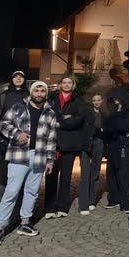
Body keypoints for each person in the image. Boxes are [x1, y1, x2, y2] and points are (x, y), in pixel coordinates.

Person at [0, 82, 57, 247]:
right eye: (36, 90)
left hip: (39, 157)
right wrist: (17, 133)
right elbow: (3, 124)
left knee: (32, 192)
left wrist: (50, 160)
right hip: (19, 156)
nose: (39, 93)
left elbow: (52, 138)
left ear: (46, 94)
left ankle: (25, 223)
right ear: (32, 92)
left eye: (42, 90)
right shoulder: (18, 107)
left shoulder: (50, 113)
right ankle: (0, 227)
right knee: (11, 191)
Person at [0, 70, 29, 226]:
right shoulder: (3, 97)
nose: (18, 78)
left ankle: (16, 215)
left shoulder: (29, 96)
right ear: (11, 79)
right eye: (15, 76)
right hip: (3, 145)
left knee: (19, 181)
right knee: (0, 181)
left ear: (24, 80)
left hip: (21, 146)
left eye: (21, 76)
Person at [44, 76, 87, 218]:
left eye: (69, 82)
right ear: (60, 84)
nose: (67, 85)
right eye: (64, 82)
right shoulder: (52, 99)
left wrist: (60, 122)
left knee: (66, 177)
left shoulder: (78, 100)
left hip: (69, 144)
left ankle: (62, 207)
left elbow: (79, 119)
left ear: (73, 85)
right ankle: (50, 208)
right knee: (50, 176)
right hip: (52, 143)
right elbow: (48, 116)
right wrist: (65, 117)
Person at [103, 90, 129, 213]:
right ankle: (114, 199)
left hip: (124, 145)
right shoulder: (112, 110)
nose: (115, 101)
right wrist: (113, 125)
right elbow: (106, 126)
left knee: (123, 175)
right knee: (111, 173)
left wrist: (114, 124)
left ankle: (125, 202)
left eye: (117, 98)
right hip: (112, 145)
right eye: (114, 99)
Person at [79, 93, 109, 215]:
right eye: (94, 100)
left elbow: (106, 129)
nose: (97, 102)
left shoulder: (104, 114)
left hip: (99, 142)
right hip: (86, 143)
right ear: (92, 102)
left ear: (102, 101)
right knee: (85, 174)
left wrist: (103, 130)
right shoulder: (87, 112)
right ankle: (83, 205)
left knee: (95, 173)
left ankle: (91, 201)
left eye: (98, 100)